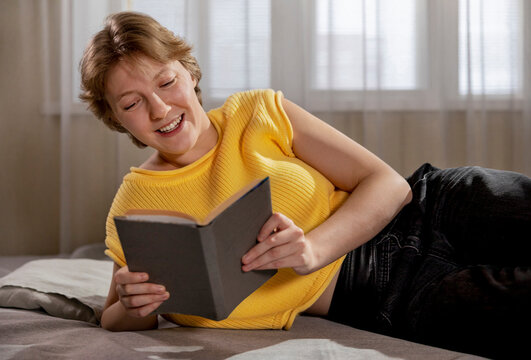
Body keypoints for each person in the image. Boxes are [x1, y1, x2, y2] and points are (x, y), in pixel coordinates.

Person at [80, 11, 531, 359]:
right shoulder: (134, 202)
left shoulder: (255, 111)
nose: (159, 109)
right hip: (380, 294)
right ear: (114, 117)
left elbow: (389, 185)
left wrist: (312, 249)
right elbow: (117, 316)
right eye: (133, 103)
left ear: (189, 71)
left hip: (432, 206)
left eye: (166, 81)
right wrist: (134, 306)